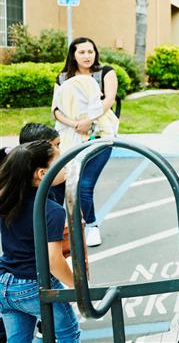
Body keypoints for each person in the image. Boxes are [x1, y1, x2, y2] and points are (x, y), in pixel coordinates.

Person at [0, 141, 81, 342]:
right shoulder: (51, 211)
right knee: (68, 335)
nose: (66, 167)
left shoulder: (9, 198)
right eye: (61, 163)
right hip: (33, 285)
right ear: (43, 174)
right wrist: (78, 286)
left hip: (4, 285)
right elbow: (53, 261)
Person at [51, 37, 119, 247]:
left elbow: (108, 100)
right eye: (82, 52)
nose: (87, 56)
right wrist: (75, 123)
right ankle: (61, 225)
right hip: (70, 137)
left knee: (85, 184)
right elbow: (55, 110)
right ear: (73, 55)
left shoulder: (105, 72)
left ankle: (91, 225)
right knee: (60, 182)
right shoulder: (63, 78)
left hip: (100, 136)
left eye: (91, 51)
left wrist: (89, 120)